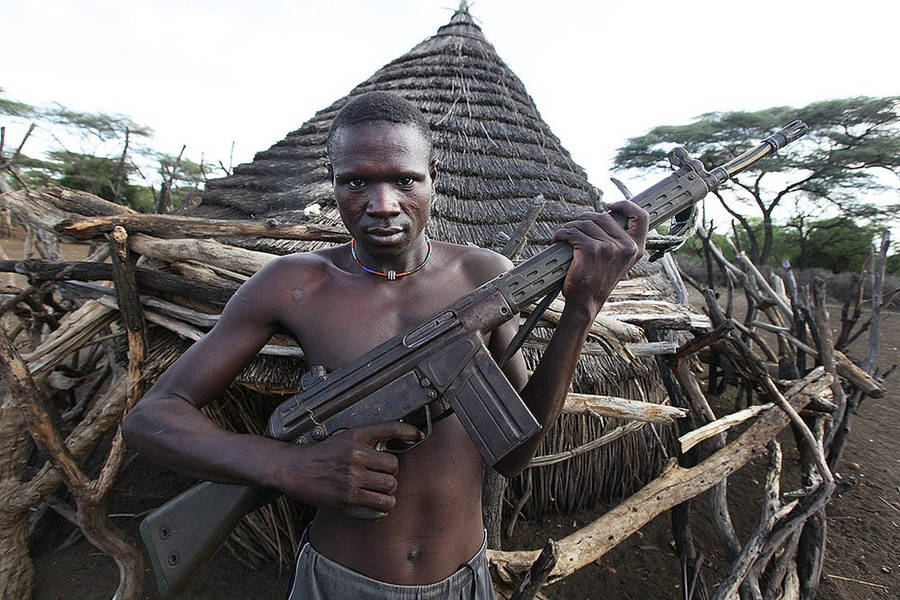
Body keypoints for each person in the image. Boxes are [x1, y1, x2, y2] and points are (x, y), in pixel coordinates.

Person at [123, 91, 648, 599]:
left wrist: (581, 312)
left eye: (404, 180)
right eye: (356, 183)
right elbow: (152, 418)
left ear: (433, 180)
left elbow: (513, 456)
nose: (382, 205)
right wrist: (286, 467)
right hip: (340, 580)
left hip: (466, 579)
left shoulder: (483, 276)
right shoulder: (295, 282)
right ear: (332, 183)